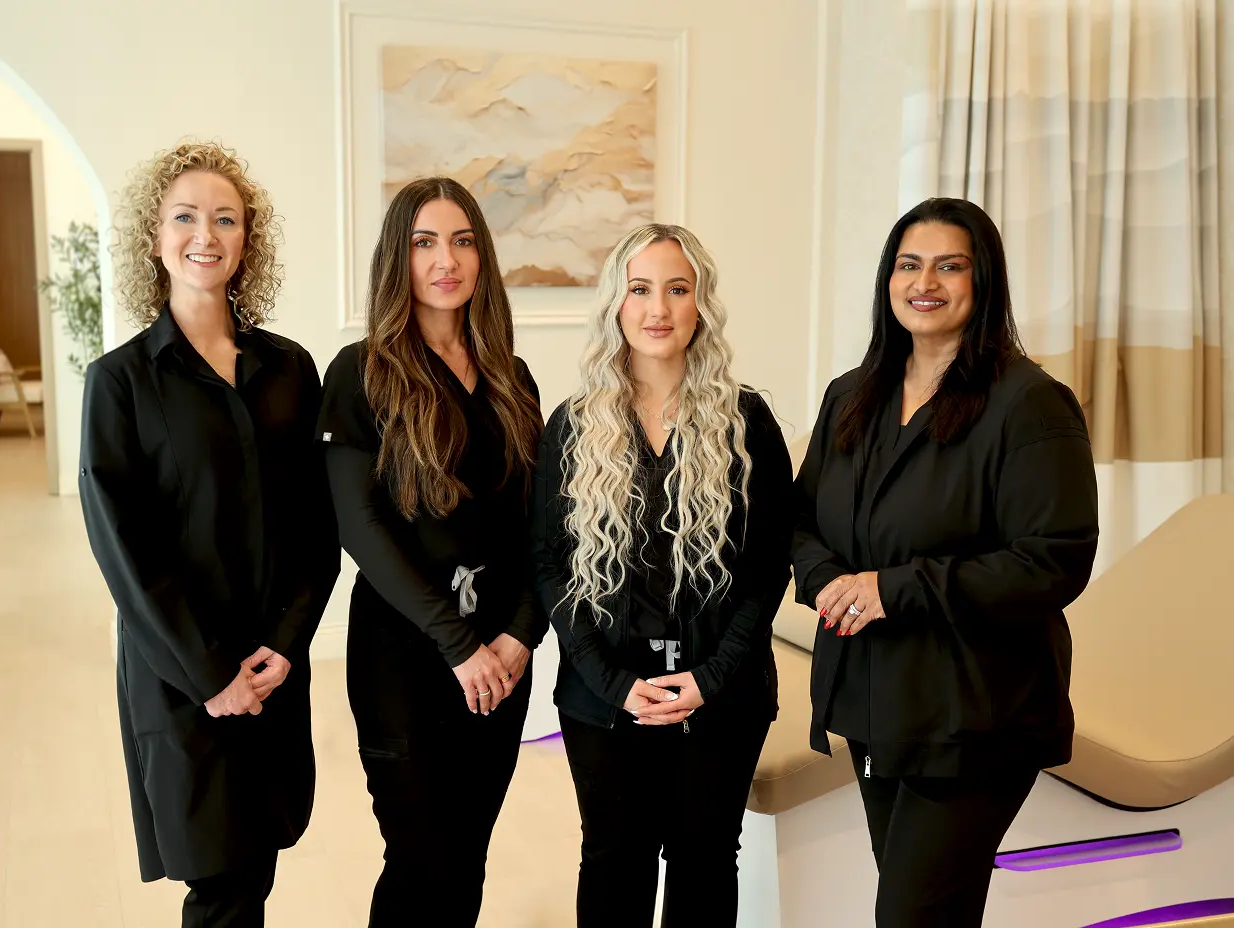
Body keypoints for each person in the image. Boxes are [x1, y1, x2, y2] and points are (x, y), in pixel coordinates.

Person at [792, 197, 1099, 926]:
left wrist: (894, 589)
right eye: (909, 264)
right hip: (872, 701)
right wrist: (829, 581)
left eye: (949, 266)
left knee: (912, 917)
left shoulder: (1030, 404)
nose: (924, 282)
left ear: (982, 281)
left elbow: (1054, 560)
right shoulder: (852, 396)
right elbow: (801, 520)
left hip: (974, 714)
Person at [78, 140, 339, 927]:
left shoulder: (289, 369)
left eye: (226, 219)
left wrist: (288, 643)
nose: (206, 235)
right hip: (182, 671)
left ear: (247, 241)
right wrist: (210, 671)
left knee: (253, 867)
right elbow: (124, 550)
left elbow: (317, 523)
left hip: (272, 664)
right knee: (218, 881)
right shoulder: (120, 381)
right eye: (185, 217)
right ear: (154, 238)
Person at [531, 223, 794, 928]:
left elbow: (768, 567)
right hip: (603, 698)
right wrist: (613, 684)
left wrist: (712, 678)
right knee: (613, 860)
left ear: (700, 304)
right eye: (640, 289)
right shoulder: (572, 425)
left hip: (722, 695)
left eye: (678, 289)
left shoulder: (747, 422)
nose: (658, 308)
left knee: (705, 861)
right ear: (614, 303)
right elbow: (550, 566)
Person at [317, 176, 545, 927]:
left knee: (468, 853)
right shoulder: (360, 372)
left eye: (462, 241)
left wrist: (521, 632)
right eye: (424, 243)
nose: (446, 260)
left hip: (501, 657)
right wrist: (459, 645)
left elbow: (539, 525)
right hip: (405, 656)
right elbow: (361, 528)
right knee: (420, 858)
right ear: (399, 257)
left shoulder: (511, 377)